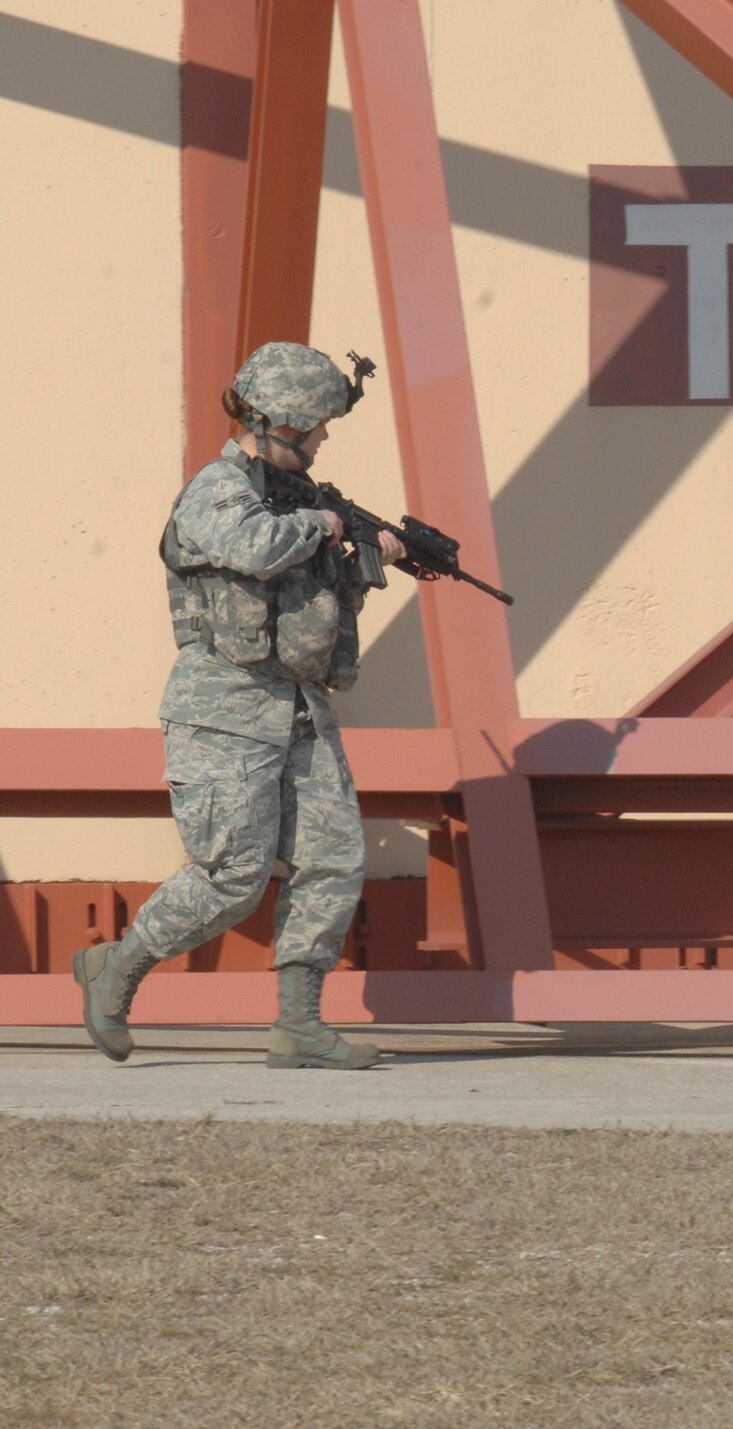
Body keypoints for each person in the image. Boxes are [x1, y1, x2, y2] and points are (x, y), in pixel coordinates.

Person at [73, 341, 406, 1070]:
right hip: (223, 712)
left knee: (333, 858)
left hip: (300, 709)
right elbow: (253, 548)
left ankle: (299, 1024)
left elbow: (312, 607)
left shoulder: (300, 498)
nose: (324, 438)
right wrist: (324, 526)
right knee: (233, 877)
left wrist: (363, 564)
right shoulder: (217, 491)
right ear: (280, 422)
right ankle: (115, 968)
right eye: (317, 425)